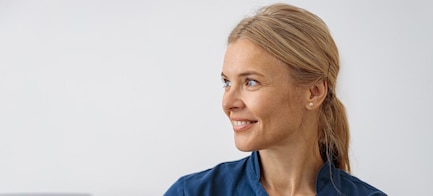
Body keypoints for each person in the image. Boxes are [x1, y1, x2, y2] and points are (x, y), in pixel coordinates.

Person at [165, 3, 386, 196]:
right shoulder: (191, 192)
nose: (228, 102)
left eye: (251, 82)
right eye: (227, 83)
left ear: (314, 92)